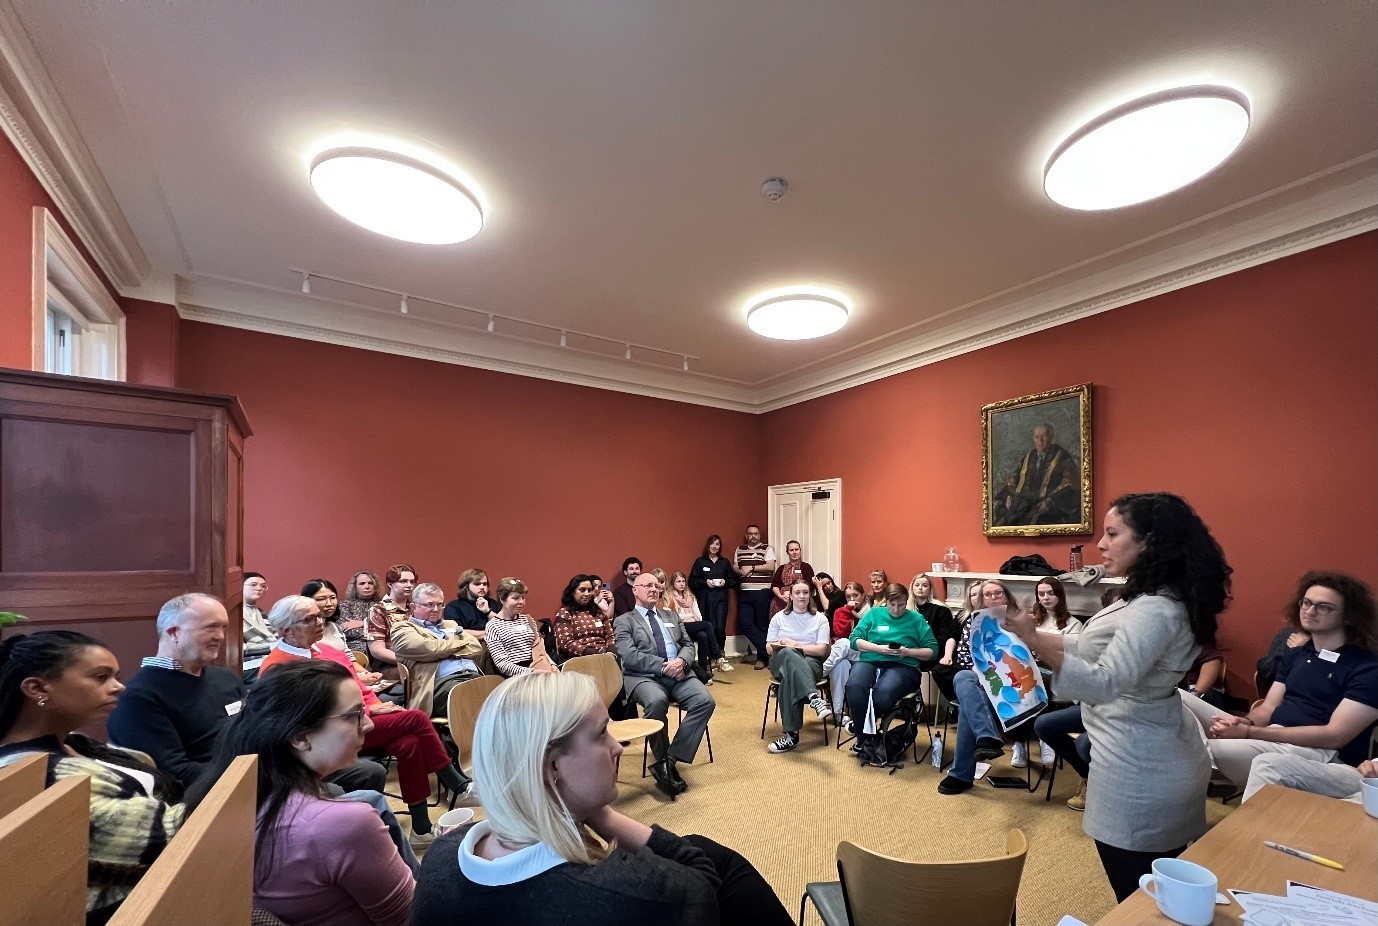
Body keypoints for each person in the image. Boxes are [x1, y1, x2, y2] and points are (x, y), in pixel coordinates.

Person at [410, 672, 794, 926]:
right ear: (552, 767)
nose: (618, 747)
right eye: (600, 735)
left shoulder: (440, 858)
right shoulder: (626, 893)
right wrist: (605, 817)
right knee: (714, 860)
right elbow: (704, 891)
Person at [1001, 493, 1233, 902]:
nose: (1101, 544)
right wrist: (1030, 634)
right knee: (1151, 891)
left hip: (1142, 767)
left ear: (1148, 542)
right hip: (1139, 747)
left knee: (1139, 895)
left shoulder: (1156, 610)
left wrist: (1038, 645)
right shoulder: (1146, 597)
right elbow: (1092, 650)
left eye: (1112, 534)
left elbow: (1105, 682)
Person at [187, 660, 414, 926]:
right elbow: (413, 918)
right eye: (354, 715)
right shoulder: (345, 824)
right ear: (300, 737)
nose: (369, 725)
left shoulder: (232, 801)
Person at [109, 592, 387, 794]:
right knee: (360, 798)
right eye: (210, 627)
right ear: (173, 632)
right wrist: (267, 776)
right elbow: (176, 772)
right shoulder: (140, 697)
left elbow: (257, 728)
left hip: (263, 768)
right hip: (220, 791)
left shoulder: (223, 678)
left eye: (223, 627)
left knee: (368, 773)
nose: (220, 636)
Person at [0, 630, 185, 924]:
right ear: (37, 689)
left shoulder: (73, 742)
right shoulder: (37, 775)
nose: (119, 687)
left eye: (115, 676)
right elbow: (174, 835)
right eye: (101, 677)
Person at [258, 595, 472, 845]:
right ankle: (456, 784)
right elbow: (302, 721)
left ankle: (421, 828)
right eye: (310, 619)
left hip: (360, 722)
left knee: (409, 743)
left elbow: (360, 689)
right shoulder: (277, 668)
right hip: (327, 738)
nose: (320, 621)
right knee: (415, 717)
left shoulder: (326, 650)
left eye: (320, 616)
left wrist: (378, 706)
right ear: (286, 630)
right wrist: (370, 712)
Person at [1181, 571, 1378, 791]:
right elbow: (1268, 707)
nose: (1310, 611)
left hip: (1316, 752)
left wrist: (1248, 733)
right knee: (1178, 697)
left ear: (1348, 617)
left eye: (1323, 607)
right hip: (1271, 734)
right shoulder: (1296, 654)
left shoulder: (1366, 667)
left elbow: (1335, 736)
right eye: (1306, 603)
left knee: (1190, 750)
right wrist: (1244, 723)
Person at [615, 573, 717, 800]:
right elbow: (629, 657)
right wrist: (662, 666)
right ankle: (664, 763)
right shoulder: (624, 621)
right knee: (656, 701)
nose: (653, 589)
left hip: (680, 672)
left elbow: (687, 644)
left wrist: (682, 661)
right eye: (647, 585)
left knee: (705, 701)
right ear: (635, 590)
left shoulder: (670, 615)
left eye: (656, 585)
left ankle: (667, 762)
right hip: (644, 677)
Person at [936, 579, 1032, 790]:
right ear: (981, 600)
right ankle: (986, 737)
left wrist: (993, 672)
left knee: (968, 706)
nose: (993, 598)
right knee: (962, 677)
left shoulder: (1019, 619)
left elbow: (1028, 656)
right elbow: (963, 655)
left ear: (1007, 596)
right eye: (987, 595)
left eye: (998, 593)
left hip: (1012, 682)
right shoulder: (974, 620)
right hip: (979, 680)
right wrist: (979, 671)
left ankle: (963, 771)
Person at [844, 582, 938, 766]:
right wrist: (879, 648)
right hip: (871, 659)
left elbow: (932, 650)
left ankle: (862, 733)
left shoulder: (916, 619)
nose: (896, 609)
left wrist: (908, 652)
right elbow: (854, 640)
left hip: (904, 665)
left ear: (906, 601)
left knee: (883, 694)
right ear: (885, 602)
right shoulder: (874, 614)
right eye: (892, 605)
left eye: (901, 604)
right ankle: (867, 738)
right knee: (854, 686)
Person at [390, 582, 484, 716]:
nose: (435, 609)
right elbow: (430, 649)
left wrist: (443, 650)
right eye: (429, 604)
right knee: (474, 696)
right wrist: (458, 644)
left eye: (439, 604)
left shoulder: (450, 624)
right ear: (413, 607)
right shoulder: (402, 629)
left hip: (472, 677)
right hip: (437, 685)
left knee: (500, 691)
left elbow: (476, 647)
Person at [1019, 577, 1084, 768]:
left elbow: (1073, 656)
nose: (1045, 598)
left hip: (1056, 673)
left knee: (1030, 685)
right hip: (1029, 670)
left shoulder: (1073, 624)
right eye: (1041, 594)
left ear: (1059, 595)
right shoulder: (1033, 621)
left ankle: (1042, 740)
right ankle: (1019, 742)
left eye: (1050, 593)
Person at [764, 580, 834, 753]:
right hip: (779, 661)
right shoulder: (779, 617)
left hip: (812, 662)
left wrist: (795, 646)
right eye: (797, 592)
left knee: (790, 675)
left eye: (805, 592)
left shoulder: (820, 619)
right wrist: (784, 643)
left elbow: (821, 650)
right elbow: (768, 647)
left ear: (810, 594)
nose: (802, 596)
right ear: (791, 595)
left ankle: (791, 736)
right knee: (787, 654)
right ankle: (813, 697)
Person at [992, 423, 1081, 527]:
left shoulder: (1062, 457)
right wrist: (1008, 495)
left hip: (1048, 506)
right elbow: (1014, 478)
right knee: (1003, 519)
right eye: (1036, 437)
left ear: (1051, 437)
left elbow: (1070, 483)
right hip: (1023, 503)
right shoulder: (1029, 457)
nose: (1040, 441)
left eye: (1044, 436)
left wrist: (1050, 500)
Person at [484, 578, 558, 678]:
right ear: (502, 599)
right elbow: (502, 664)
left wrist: (552, 664)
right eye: (516, 598)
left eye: (523, 598)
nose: (521, 602)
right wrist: (531, 672)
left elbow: (540, 649)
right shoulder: (493, 626)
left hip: (538, 667)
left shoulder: (527, 619)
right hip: (515, 676)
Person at [1242, 754, 1377, 804]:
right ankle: (1247, 842)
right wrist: (1372, 763)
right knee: (1267, 764)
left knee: (1345, 812)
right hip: (1370, 775)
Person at [689, 534, 736, 672]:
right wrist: (705, 582)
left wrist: (725, 582)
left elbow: (733, 581)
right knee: (708, 627)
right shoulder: (700, 562)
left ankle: (720, 653)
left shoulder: (724, 563)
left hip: (721, 599)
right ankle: (710, 658)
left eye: (717, 544)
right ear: (708, 545)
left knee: (719, 628)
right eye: (713, 544)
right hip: (705, 600)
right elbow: (692, 581)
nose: (715, 547)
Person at [733, 525, 776, 669]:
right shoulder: (740, 549)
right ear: (746, 535)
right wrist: (740, 571)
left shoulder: (767, 548)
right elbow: (735, 567)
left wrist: (751, 568)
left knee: (762, 625)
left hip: (762, 591)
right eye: (750, 534)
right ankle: (769, 651)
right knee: (744, 623)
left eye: (756, 534)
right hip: (745, 592)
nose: (753, 536)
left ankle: (761, 658)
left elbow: (771, 567)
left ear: (759, 535)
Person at [821, 582, 866, 716]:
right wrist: (847, 611)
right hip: (845, 654)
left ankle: (821, 672)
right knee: (841, 665)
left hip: (865, 653)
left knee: (844, 643)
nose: (852, 600)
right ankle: (839, 713)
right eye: (848, 597)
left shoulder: (871, 612)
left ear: (863, 595)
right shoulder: (841, 611)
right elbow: (840, 631)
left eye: (856, 595)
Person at [366, 564, 418, 678]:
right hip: (388, 666)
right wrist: (409, 661)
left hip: (418, 659)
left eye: (412, 581)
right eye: (403, 581)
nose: (409, 585)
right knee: (424, 673)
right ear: (390, 584)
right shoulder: (378, 610)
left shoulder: (416, 607)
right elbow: (377, 650)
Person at [552, 573, 618, 660]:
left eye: (589, 590)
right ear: (572, 592)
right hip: (578, 659)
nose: (587, 594)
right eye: (582, 590)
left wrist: (611, 652)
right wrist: (596, 654)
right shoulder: (564, 613)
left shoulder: (598, 612)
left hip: (605, 656)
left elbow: (610, 636)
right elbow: (566, 643)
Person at [669, 571, 720, 680]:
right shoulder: (670, 597)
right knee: (707, 625)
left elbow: (699, 616)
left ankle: (702, 672)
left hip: (693, 626)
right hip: (681, 628)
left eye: (683, 581)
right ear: (673, 583)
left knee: (703, 635)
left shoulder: (690, 596)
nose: (681, 584)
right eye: (678, 581)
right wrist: (691, 616)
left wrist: (692, 617)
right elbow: (677, 618)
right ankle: (717, 656)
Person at [1255, 620, 1311, 695]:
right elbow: (1266, 672)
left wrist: (1308, 649)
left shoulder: (1330, 643)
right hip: (1283, 697)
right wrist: (1290, 651)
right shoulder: (1287, 634)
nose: (1310, 611)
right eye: (1306, 607)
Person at [443, 568, 499, 640]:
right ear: (466, 586)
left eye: (485, 584)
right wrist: (490, 634)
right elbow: (457, 632)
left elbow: (506, 627)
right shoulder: (453, 607)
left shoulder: (494, 604)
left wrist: (488, 611)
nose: (482, 587)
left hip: (495, 645)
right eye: (477, 584)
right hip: (469, 645)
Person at [337, 571, 381, 654]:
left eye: (370, 583)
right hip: (355, 650)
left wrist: (363, 623)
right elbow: (346, 631)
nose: (367, 586)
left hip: (380, 648)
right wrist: (376, 631)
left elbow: (389, 628)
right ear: (355, 587)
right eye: (362, 583)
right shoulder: (345, 605)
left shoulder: (382, 605)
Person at [303, 578, 350, 654]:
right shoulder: (299, 631)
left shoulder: (335, 627)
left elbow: (349, 657)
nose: (329, 603)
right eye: (321, 599)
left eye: (333, 598)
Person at [769, 541, 814, 615]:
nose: (794, 552)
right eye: (791, 550)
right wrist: (781, 596)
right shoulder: (781, 568)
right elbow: (775, 585)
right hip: (781, 601)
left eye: (796, 549)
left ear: (800, 550)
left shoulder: (806, 567)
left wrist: (795, 595)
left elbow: (810, 585)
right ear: (787, 552)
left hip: (800, 601)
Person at [242, 571, 273, 674]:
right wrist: (271, 646)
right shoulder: (233, 614)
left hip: (268, 657)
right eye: (253, 585)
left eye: (263, 586)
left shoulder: (263, 614)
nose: (259, 588)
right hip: (248, 662)